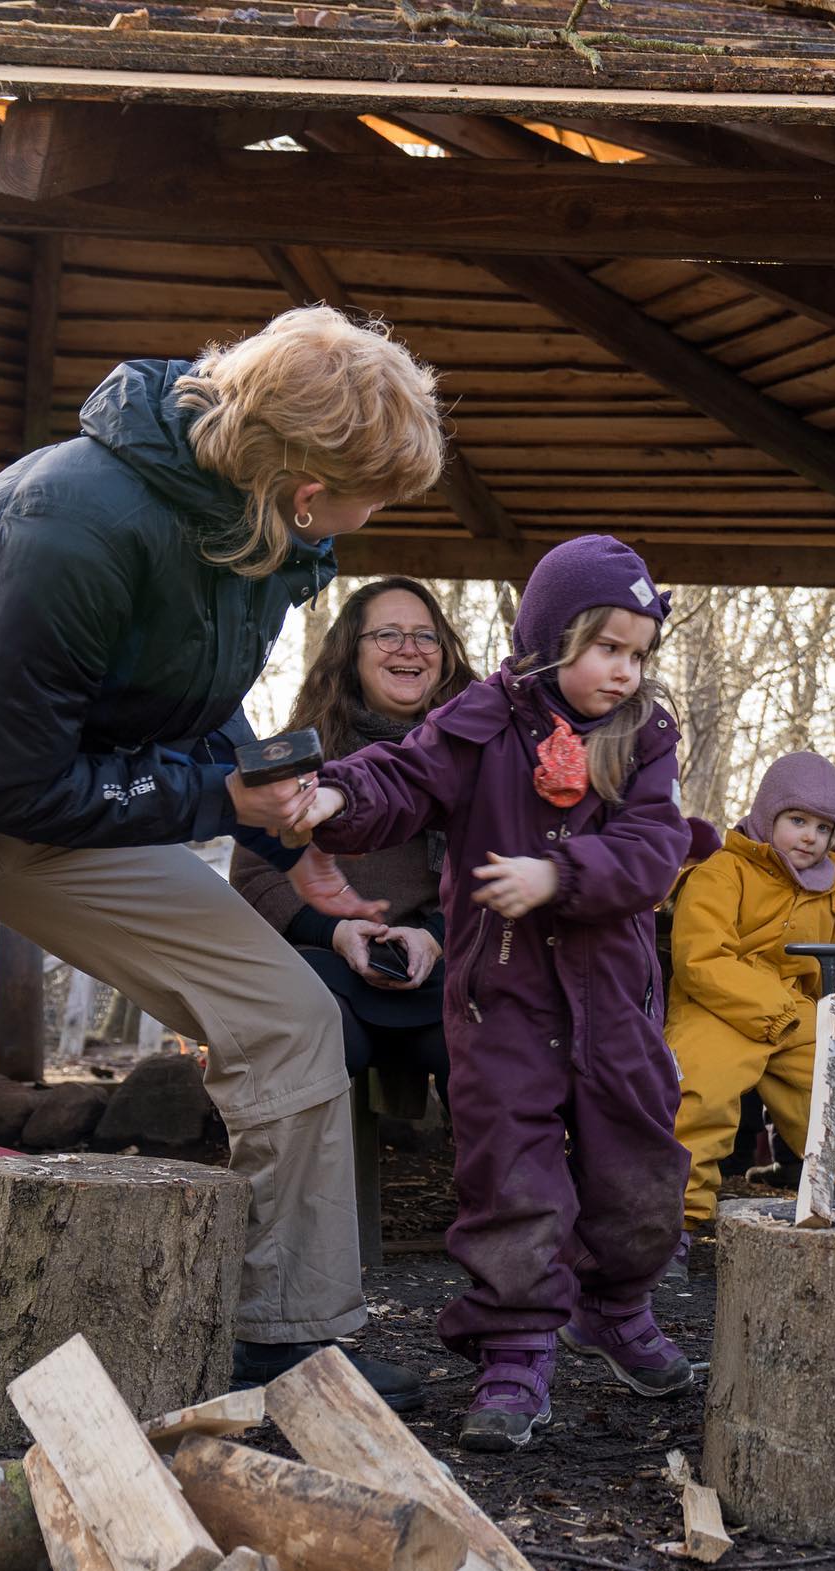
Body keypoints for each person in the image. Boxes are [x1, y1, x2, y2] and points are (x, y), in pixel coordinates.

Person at [0, 306, 445, 1409]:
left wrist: (276, 836)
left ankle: (286, 1342)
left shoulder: (258, 532)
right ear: (304, 482)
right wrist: (215, 796)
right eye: (368, 493)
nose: (371, 514)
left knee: (290, 1018)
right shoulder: (71, 514)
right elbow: (5, 782)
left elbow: (193, 704)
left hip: (70, 793)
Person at [298, 534, 694, 1451]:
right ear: (552, 637)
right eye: (607, 648)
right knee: (509, 1174)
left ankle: (615, 1305)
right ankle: (515, 1349)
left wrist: (562, 875)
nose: (626, 672)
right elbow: (403, 774)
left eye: (639, 654)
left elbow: (653, 847)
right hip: (501, 997)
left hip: (613, 1004)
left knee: (639, 1172)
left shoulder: (646, 739)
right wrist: (332, 797)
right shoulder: (482, 719)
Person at [231, 578, 477, 1097]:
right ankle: (311, 1182)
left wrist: (433, 937)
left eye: (425, 636)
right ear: (351, 654)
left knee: (491, 1052)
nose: (409, 649)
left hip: (446, 972)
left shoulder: (483, 754)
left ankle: (501, 1182)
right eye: (387, 634)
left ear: (444, 654)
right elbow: (255, 879)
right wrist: (338, 934)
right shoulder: (294, 754)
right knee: (314, 1040)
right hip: (326, 970)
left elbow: (497, 865)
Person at [666, 752, 835, 1258]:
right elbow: (700, 959)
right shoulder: (722, 872)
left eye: (823, 827)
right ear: (768, 816)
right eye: (797, 820)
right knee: (699, 1093)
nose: (809, 836)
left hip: (795, 1012)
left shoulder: (832, 892)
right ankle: (672, 1223)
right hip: (717, 1004)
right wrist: (775, 1009)